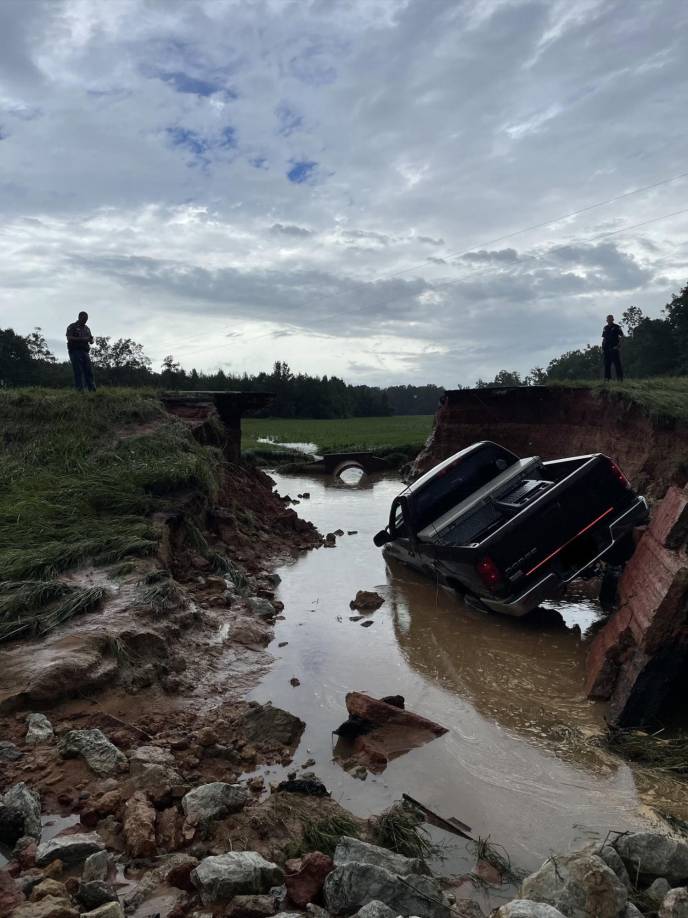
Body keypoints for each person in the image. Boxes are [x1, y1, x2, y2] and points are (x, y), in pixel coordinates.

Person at [66, 311, 96, 391]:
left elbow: (90, 340)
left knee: (89, 371)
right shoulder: (72, 326)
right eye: (84, 318)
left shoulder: (87, 328)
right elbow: (69, 338)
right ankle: (80, 390)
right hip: (75, 351)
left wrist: (91, 340)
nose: (85, 320)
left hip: (85, 351)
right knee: (78, 371)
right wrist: (82, 339)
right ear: (79, 317)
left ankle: (92, 390)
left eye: (86, 319)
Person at [602, 314, 624, 382]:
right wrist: (602, 347)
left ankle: (620, 379)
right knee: (607, 364)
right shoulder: (605, 328)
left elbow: (621, 336)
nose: (609, 320)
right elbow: (604, 338)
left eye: (610, 319)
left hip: (614, 348)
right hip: (606, 349)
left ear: (613, 319)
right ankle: (607, 379)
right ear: (606, 320)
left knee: (617, 364)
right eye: (608, 319)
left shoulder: (617, 327)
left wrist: (618, 346)